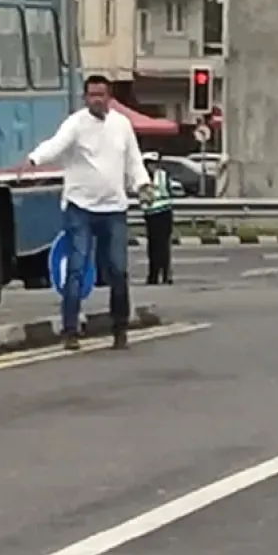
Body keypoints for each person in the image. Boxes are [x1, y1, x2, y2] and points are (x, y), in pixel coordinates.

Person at [24, 74, 152, 351]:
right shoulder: (76, 123)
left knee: (118, 270)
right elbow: (56, 144)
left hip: (114, 208)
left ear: (109, 97)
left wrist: (143, 185)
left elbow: (134, 161)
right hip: (80, 207)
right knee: (76, 268)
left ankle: (120, 328)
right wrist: (34, 159)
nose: (97, 100)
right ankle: (70, 330)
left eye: (101, 95)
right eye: (92, 95)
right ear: (85, 98)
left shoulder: (122, 125)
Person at [141, 155, 174, 285]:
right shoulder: (142, 177)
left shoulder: (163, 175)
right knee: (153, 246)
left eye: (154, 163)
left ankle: (166, 274)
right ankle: (153, 275)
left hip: (164, 213)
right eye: (150, 163)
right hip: (151, 215)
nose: (152, 166)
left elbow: (169, 192)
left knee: (164, 245)